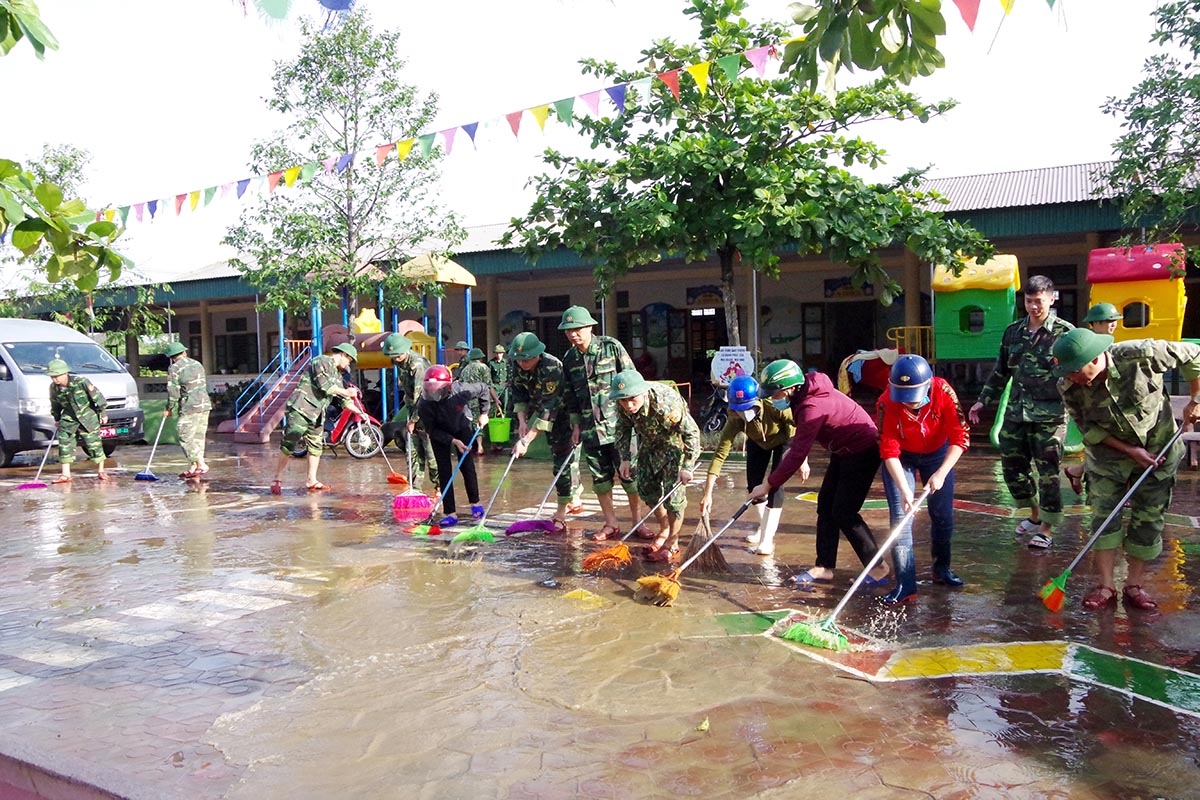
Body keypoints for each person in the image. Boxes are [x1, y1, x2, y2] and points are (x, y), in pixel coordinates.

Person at [1052, 328, 1200, 612]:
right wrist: (1130, 451)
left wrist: (1195, 399)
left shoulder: (1141, 355)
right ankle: (1106, 585)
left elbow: (1194, 355)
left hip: (1160, 450)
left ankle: (1134, 584)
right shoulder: (1068, 386)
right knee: (1103, 519)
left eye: (1075, 371)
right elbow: (1088, 427)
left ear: (1095, 359)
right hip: (1109, 457)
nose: (1071, 378)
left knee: (1148, 520)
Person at [748, 359, 889, 587]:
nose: (773, 399)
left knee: (844, 512)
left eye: (775, 394)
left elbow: (798, 453)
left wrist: (767, 485)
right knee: (825, 505)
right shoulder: (804, 396)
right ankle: (824, 567)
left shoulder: (812, 406)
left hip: (863, 450)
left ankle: (879, 567)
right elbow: (800, 443)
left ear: (788, 389)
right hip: (843, 449)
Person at [968, 275, 1074, 550]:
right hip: (1017, 413)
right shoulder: (1013, 332)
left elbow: (1078, 373)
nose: (1033, 307)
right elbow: (1000, 371)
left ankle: (1047, 529)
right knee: (1012, 469)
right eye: (1028, 301)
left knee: (1048, 472)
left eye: (1038, 301)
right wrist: (983, 400)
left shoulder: (1065, 333)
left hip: (1049, 416)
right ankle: (1035, 514)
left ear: (1051, 299)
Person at [876, 355, 971, 604]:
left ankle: (942, 569)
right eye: (903, 397)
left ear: (928, 385)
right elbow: (889, 450)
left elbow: (960, 436)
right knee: (901, 515)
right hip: (902, 458)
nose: (909, 403)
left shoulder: (944, 392)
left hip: (938, 454)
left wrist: (941, 473)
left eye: (914, 396)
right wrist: (905, 492)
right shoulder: (886, 402)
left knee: (942, 515)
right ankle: (905, 584)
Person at [559, 305, 643, 539]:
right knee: (600, 479)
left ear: (589, 327)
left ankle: (638, 521)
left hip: (619, 426)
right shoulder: (570, 358)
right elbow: (570, 396)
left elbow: (632, 381)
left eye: (577, 329)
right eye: (568, 330)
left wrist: (635, 417)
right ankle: (611, 523)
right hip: (590, 430)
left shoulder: (611, 347)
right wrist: (576, 424)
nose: (573, 334)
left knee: (630, 477)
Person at [699, 374, 806, 556]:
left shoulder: (774, 406)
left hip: (785, 440)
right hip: (758, 443)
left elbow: (803, 428)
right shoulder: (736, 420)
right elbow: (719, 455)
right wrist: (707, 494)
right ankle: (765, 527)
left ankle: (767, 540)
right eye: (739, 409)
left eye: (748, 407)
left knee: (775, 485)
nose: (745, 413)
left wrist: (802, 459)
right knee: (754, 487)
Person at [612, 370, 701, 561]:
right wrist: (625, 458)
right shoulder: (623, 404)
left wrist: (687, 465)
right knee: (647, 491)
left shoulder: (666, 404)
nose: (628, 405)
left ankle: (673, 542)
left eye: (632, 399)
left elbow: (691, 433)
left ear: (642, 392)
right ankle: (665, 529)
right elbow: (622, 429)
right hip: (649, 447)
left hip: (673, 446)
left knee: (674, 499)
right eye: (623, 400)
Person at [270, 342, 358, 494]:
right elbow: (326, 387)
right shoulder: (321, 361)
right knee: (290, 442)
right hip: (301, 408)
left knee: (316, 447)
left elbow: (344, 400)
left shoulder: (337, 375)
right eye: (349, 360)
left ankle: (312, 480)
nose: (347, 364)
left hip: (317, 414)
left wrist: (360, 413)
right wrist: (346, 392)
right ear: (343, 354)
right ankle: (277, 479)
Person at [509, 332, 575, 531]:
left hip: (564, 413)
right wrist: (522, 421)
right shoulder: (517, 365)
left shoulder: (551, 367)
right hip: (539, 409)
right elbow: (518, 395)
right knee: (562, 461)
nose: (523, 363)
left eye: (527, 359)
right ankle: (572, 496)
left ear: (538, 354)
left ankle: (562, 510)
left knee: (562, 461)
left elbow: (549, 411)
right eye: (519, 359)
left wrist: (526, 441)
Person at [417, 364, 492, 527]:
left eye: (437, 390)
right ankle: (450, 512)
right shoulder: (424, 404)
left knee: (467, 466)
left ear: (448, 387)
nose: (434, 394)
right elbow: (432, 430)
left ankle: (475, 503)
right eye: (430, 390)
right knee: (444, 470)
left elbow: (484, 389)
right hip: (440, 433)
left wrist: (484, 412)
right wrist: (453, 441)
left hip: (462, 426)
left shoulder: (461, 390)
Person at [382, 332, 438, 494]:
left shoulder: (417, 365)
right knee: (412, 451)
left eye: (398, 355)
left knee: (430, 453)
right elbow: (410, 393)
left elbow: (423, 396)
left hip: (428, 414)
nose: (396, 359)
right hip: (413, 411)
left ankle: (439, 488)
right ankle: (415, 489)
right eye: (393, 356)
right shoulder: (401, 364)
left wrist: (413, 421)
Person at [47, 358, 110, 483]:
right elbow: (55, 404)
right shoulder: (54, 388)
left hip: (87, 418)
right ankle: (65, 474)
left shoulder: (81, 382)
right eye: (52, 376)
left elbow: (97, 397)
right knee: (64, 444)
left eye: (57, 376)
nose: (55, 379)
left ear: (65, 373)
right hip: (69, 419)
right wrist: (57, 418)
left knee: (94, 445)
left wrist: (103, 413)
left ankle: (101, 471)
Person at [162, 341, 211, 479]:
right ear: (184, 352)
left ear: (171, 357)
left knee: (185, 436)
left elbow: (174, 392)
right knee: (198, 437)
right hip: (204, 404)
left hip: (190, 407)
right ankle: (194, 467)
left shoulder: (174, 369)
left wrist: (169, 408)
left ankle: (200, 463)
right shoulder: (197, 364)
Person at [459, 348, 493, 456]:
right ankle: (480, 446)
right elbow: (488, 385)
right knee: (481, 422)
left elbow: (460, 383)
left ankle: (469, 446)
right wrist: (495, 399)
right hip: (480, 400)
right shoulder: (483, 368)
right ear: (480, 358)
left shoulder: (465, 369)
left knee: (471, 422)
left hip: (467, 400)